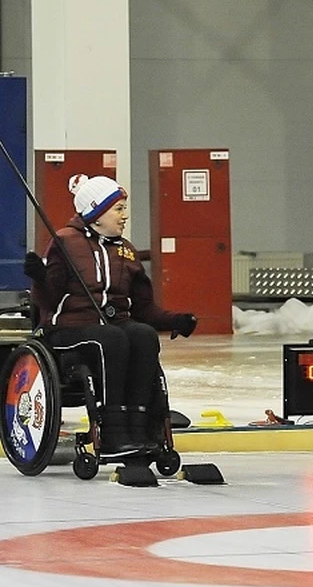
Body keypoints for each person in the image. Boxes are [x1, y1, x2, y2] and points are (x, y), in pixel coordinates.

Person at [24, 174, 197, 458]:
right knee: (113, 338)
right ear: (96, 211)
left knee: (142, 335)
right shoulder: (65, 242)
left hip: (112, 329)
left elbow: (143, 309)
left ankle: (141, 429)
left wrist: (173, 320)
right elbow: (48, 300)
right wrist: (39, 278)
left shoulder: (126, 251)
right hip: (68, 331)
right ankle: (113, 434)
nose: (125, 216)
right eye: (118, 209)